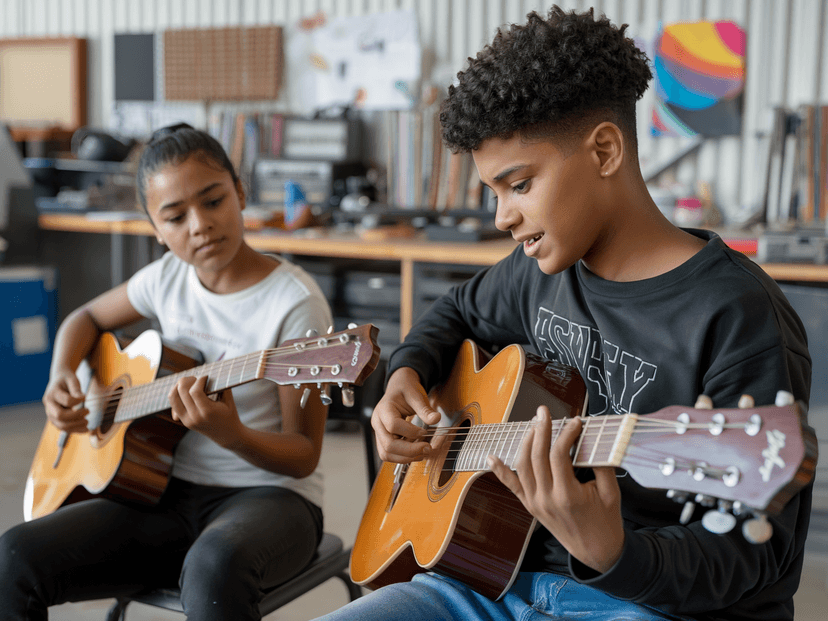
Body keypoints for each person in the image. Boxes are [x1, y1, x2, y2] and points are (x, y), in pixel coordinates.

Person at [315, 6, 812, 621]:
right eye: (492, 192)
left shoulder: (739, 315)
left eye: (518, 185)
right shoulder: (539, 269)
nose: (501, 217)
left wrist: (613, 552)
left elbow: (756, 558)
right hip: (487, 581)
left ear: (604, 150)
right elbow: (455, 310)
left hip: (647, 604)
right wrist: (406, 373)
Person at [0, 123, 335, 620]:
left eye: (213, 201)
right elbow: (84, 319)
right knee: (14, 558)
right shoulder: (166, 280)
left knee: (213, 567)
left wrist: (232, 434)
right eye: (175, 216)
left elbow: (303, 456)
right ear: (156, 230)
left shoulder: (295, 304)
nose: (199, 225)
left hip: (272, 500)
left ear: (241, 193)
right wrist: (61, 375)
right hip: (159, 491)